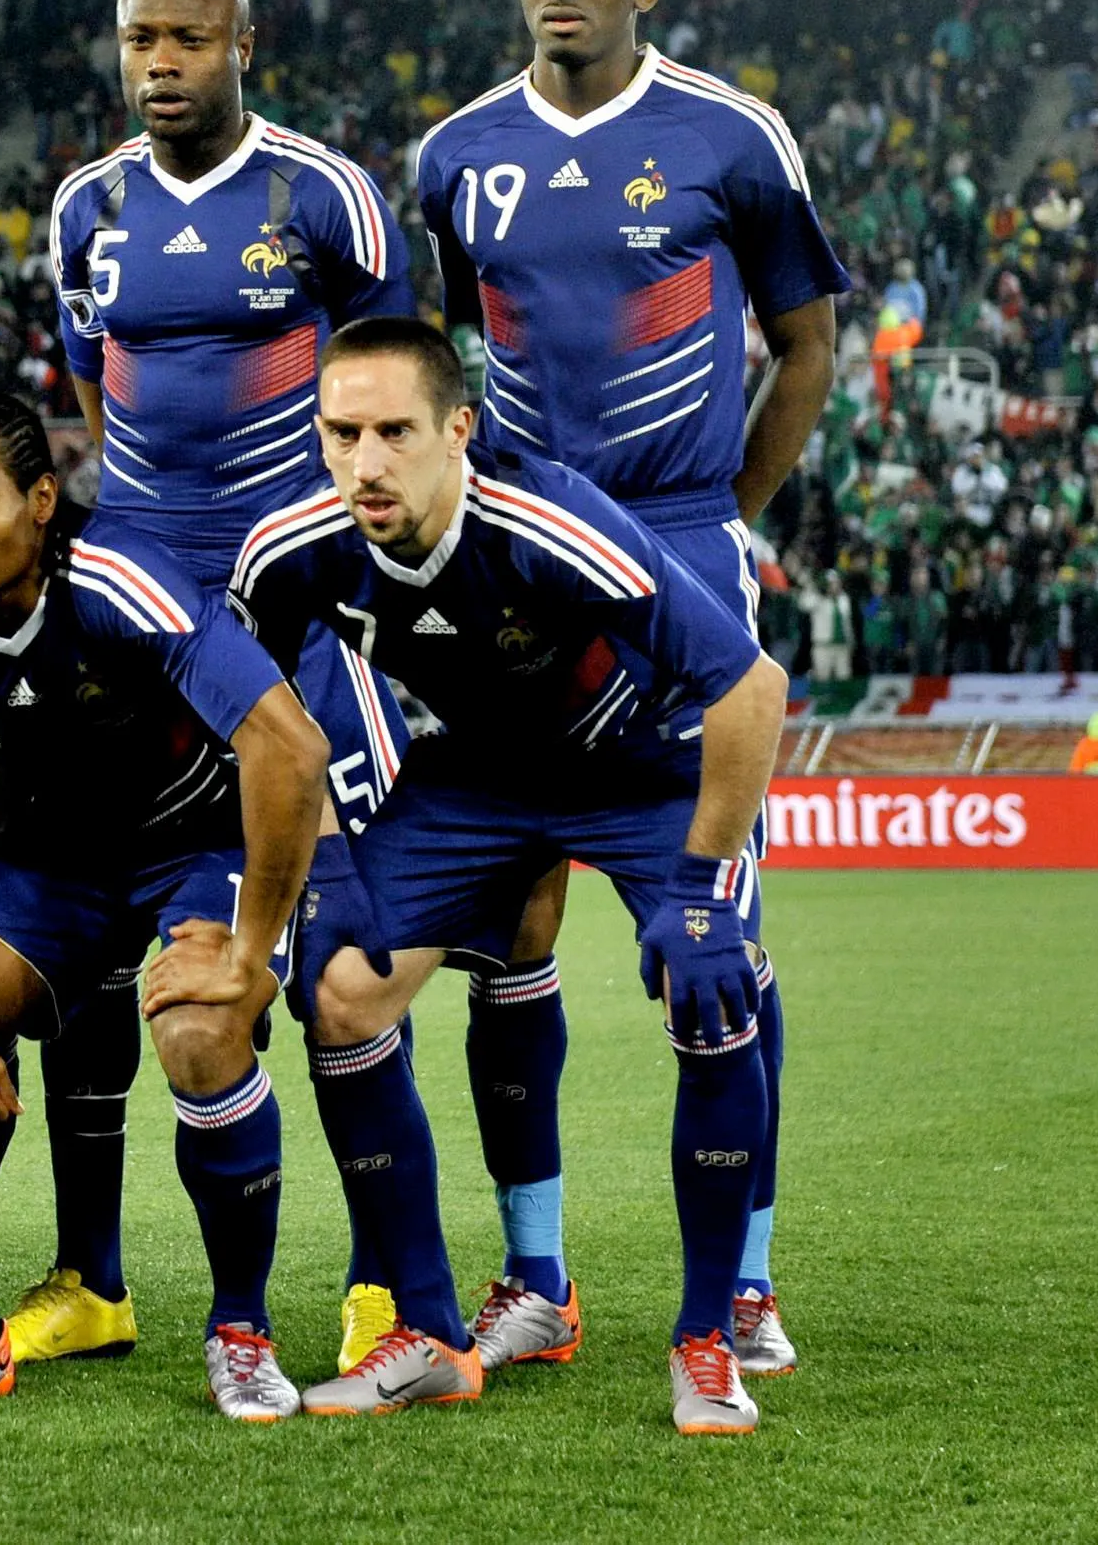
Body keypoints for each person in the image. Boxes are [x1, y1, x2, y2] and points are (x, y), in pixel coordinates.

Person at [416, 0, 845, 1376]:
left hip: (680, 543)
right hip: (512, 571)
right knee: (510, 924)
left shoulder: (733, 137)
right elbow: (448, 352)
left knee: (720, 942)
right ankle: (534, 1273)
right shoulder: (458, 155)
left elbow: (806, 344)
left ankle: (747, 1284)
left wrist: (726, 516)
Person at [232, 317, 787, 1434]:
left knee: (713, 989)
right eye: (341, 433)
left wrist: (696, 888)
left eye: (395, 432)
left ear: (458, 430)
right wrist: (325, 863)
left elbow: (750, 686)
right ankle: (433, 1335)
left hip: (645, 768)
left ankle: (708, 1335)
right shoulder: (290, 549)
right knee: (338, 988)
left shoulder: (549, 520)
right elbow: (263, 716)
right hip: (481, 776)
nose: (365, 462)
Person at [40, 0, 414, 1370]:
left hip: (305, 616)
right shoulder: (87, 206)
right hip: (143, 624)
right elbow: (98, 386)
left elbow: (389, 382)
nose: (161, 61)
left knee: (342, 953)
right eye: (141, 37)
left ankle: (384, 1278)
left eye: (190, 38)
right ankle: (92, 1279)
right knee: (103, 944)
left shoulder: (324, 196)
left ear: (243, 45)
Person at [0, 388, 340, 1417]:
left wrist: (250, 952)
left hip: (194, 843)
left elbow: (289, 747)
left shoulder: (122, 583)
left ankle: (241, 1333)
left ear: (41, 500)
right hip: (47, 865)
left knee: (199, 1030)